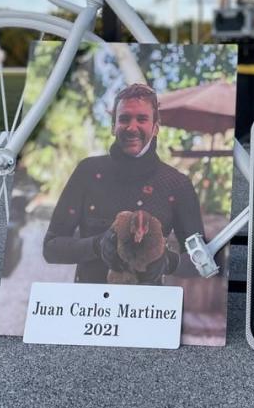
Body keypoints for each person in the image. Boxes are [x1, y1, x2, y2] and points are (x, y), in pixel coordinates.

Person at [42, 83, 204, 285]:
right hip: (87, 307)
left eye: (142, 119)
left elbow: (203, 262)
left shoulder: (177, 184)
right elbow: (50, 248)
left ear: (155, 128)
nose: (131, 127)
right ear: (113, 126)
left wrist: (168, 262)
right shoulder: (88, 172)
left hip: (147, 309)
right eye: (124, 119)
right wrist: (96, 246)